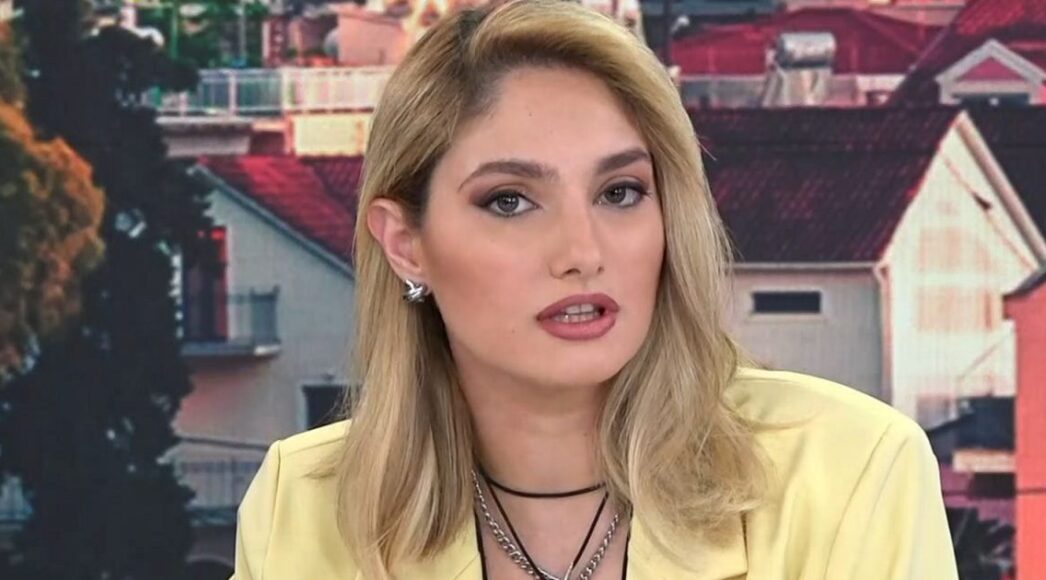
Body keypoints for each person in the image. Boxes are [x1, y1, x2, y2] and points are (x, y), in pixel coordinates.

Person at [230, 1, 959, 578]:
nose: (582, 253)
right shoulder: (303, 507)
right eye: (510, 201)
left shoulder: (851, 473)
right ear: (405, 245)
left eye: (619, 192)